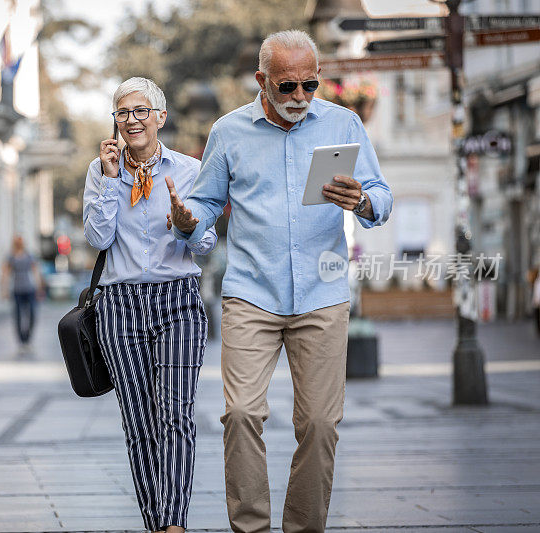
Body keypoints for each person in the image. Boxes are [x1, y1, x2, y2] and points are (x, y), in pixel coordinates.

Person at [167, 30, 394, 533]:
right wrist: (188, 220)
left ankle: (303, 528)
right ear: (261, 81)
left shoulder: (342, 122)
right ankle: (251, 528)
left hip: (322, 292)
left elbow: (381, 195)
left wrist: (362, 200)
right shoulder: (229, 132)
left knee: (318, 423)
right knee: (242, 414)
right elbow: (205, 204)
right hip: (252, 293)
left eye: (309, 85)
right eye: (287, 86)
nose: (299, 97)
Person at [83, 77, 217, 533]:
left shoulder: (188, 171)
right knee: (139, 424)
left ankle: (174, 524)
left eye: (142, 111)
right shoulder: (101, 171)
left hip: (177, 300)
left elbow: (206, 243)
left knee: (176, 414)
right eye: (123, 113)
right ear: (115, 122)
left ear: (161, 117)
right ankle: (156, 524)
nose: (132, 120)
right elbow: (98, 238)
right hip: (119, 307)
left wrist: (186, 225)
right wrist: (107, 181)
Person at [1, 235, 43, 353]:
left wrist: (39, 287)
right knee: (18, 317)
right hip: (17, 290)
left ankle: (28, 339)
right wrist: (4, 289)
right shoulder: (11, 257)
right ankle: (22, 342)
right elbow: (5, 274)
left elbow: (35, 271)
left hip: (30, 289)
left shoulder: (29, 255)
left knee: (32, 315)